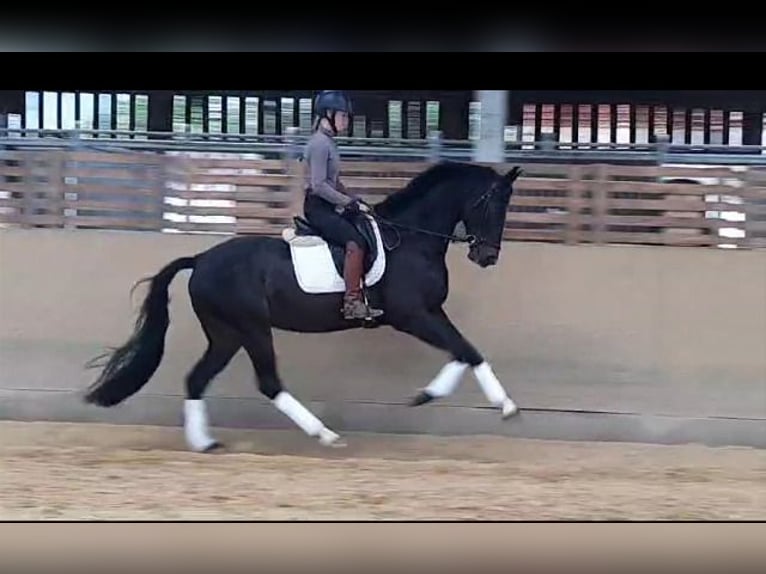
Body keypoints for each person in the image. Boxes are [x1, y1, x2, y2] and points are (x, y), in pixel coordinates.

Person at [302, 90, 384, 321]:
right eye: (343, 116)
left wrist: (354, 199)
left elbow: (334, 182)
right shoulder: (319, 144)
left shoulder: (328, 143)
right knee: (355, 243)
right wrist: (347, 202)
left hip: (328, 204)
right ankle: (351, 302)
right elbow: (319, 186)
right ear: (328, 115)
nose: (347, 121)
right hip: (318, 208)